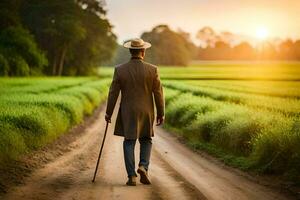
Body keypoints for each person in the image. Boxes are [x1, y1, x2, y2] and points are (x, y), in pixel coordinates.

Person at [105, 38, 165, 186]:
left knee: (129, 141)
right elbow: (158, 93)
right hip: (146, 111)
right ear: (143, 52)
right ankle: (143, 166)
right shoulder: (153, 69)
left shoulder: (120, 69)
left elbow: (113, 92)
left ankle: (131, 176)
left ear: (130, 51)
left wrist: (108, 112)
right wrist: (161, 113)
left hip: (128, 111)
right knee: (146, 139)